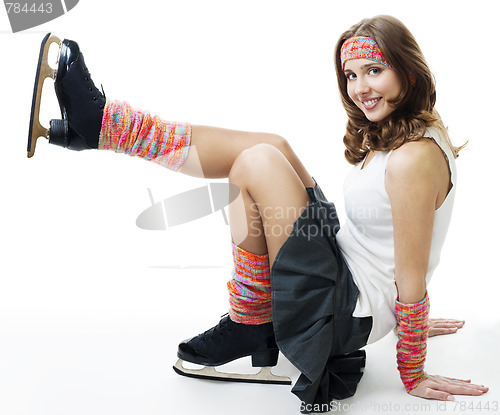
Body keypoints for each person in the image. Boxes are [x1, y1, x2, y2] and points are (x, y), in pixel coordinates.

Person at [27, 14, 487, 413]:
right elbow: (406, 243)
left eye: (375, 70)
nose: (361, 87)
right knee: (273, 144)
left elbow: (410, 275)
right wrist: (413, 318)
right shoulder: (412, 132)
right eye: (351, 75)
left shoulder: (412, 160)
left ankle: (252, 317)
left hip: (347, 307)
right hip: (344, 264)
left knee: (256, 162)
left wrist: (413, 367)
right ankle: (104, 126)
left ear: (408, 70)